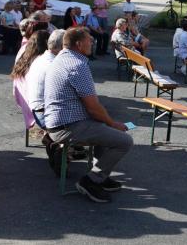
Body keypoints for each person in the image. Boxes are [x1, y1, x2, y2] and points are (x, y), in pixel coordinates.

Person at [43, 27, 133, 202]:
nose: (92, 42)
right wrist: (113, 123)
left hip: (58, 123)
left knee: (104, 129)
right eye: (89, 40)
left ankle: (100, 175)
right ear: (79, 44)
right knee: (124, 141)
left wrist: (107, 122)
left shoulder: (62, 58)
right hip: (68, 126)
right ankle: (90, 181)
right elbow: (93, 107)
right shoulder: (77, 65)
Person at [24, 29, 65, 127]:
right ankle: (56, 138)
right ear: (62, 47)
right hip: (44, 115)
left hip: (37, 109)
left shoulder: (40, 58)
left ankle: (53, 139)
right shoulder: (53, 65)